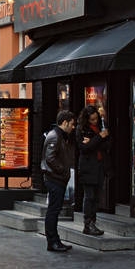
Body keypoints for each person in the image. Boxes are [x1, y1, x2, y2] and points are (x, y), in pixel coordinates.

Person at [42, 110, 77, 252]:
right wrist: (63, 170)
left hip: (57, 178)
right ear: (64, 122)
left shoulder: (61, 136)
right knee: (53, 210)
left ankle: (55, 240)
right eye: (72, 124)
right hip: (54, 178)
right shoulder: (55, 136)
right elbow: (50, 158)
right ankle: (52, 242)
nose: (73, 127)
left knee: (55, 210)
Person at [76, 105, 109, 236]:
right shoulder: (81, 129)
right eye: (92, 120)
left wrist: (94, 142)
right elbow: (84, 148)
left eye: (96, 118)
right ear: (87, 120)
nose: (95, 121)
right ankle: (87, 223)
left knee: (96, 197)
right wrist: (99, 138)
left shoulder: (102, 125)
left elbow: (108, 144)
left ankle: (92, 223)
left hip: (100, 166)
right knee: (89, 196)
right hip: (88, 168)